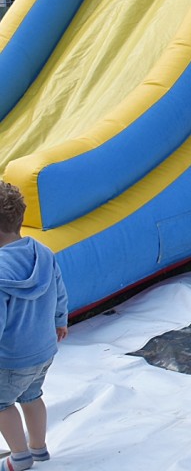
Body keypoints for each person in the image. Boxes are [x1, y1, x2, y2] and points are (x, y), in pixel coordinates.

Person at [0, 182, 68, 471]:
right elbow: (60, 292)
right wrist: (60, 321)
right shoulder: (42, 253)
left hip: (11, 358)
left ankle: (19, 457)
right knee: (32, 395)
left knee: (2, 405)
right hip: (43, 350)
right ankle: (38, 449)